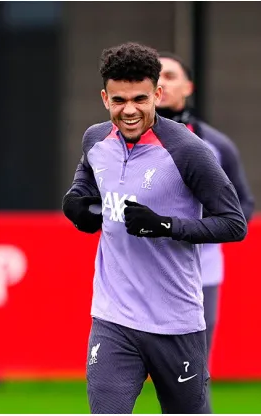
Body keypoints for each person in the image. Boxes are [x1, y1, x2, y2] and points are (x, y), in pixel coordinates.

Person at [62, 42, 247, 414]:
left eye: (140, 99)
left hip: (175, 323)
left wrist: (166, 225)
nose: (129, 110)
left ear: (157, 94)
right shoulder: (95, 140)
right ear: (104, 97)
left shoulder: (189, 150)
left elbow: (234, 223)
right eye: (118, 100)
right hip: (112, 318)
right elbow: (85, 184)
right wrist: (76, 203)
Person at [157, 51, 255, 359]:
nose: (161, 83)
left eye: (170, 76)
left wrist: (190, 228)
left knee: (192, 370)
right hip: (139, 269)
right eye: (154, 77)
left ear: (188, 88)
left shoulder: (215, 145)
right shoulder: (119, 140)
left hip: (199, 271)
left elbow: (243, 206)